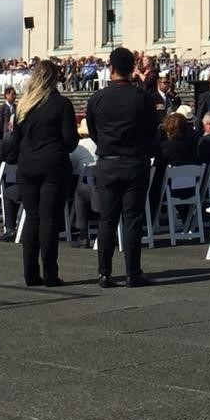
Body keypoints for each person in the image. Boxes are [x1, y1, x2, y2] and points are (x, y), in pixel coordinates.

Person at [85, 46, 158, 288]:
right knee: (132, 219)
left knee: (107, 219)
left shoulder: (97, 98)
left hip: (107, 161)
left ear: (111, 68)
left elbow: (93, 131)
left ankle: (104, 272)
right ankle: (132, 272)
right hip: (134, 161)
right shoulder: (143, 98)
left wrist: (107, 145)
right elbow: (151, 131)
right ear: (131, 69)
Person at [11, 59, 78, 287]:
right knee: (49, 218)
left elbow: (15, 140)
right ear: (55, 78)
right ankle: (50, 273)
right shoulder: (61, 104)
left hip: (27, 165)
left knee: (32, 217)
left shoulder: (23, 106)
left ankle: (30, 272)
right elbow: (70, 141)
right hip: (53, 164)